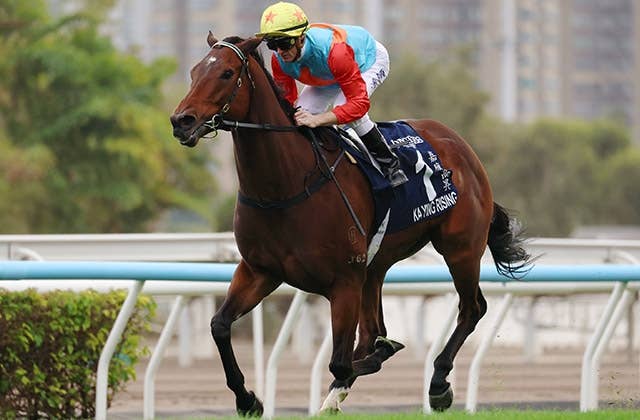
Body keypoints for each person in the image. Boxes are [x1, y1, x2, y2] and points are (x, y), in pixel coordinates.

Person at [256, 1, 408, 187]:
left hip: (367, 61)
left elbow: (359, 105)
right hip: (328, 72)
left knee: (346, 110)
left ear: (301, 39)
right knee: (300, 114)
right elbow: (286, 102)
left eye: (284, 43)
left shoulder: (336, 53)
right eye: (273, 45)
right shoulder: (279, 60)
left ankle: (391, 166)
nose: (280, 52)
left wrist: (318, 120)